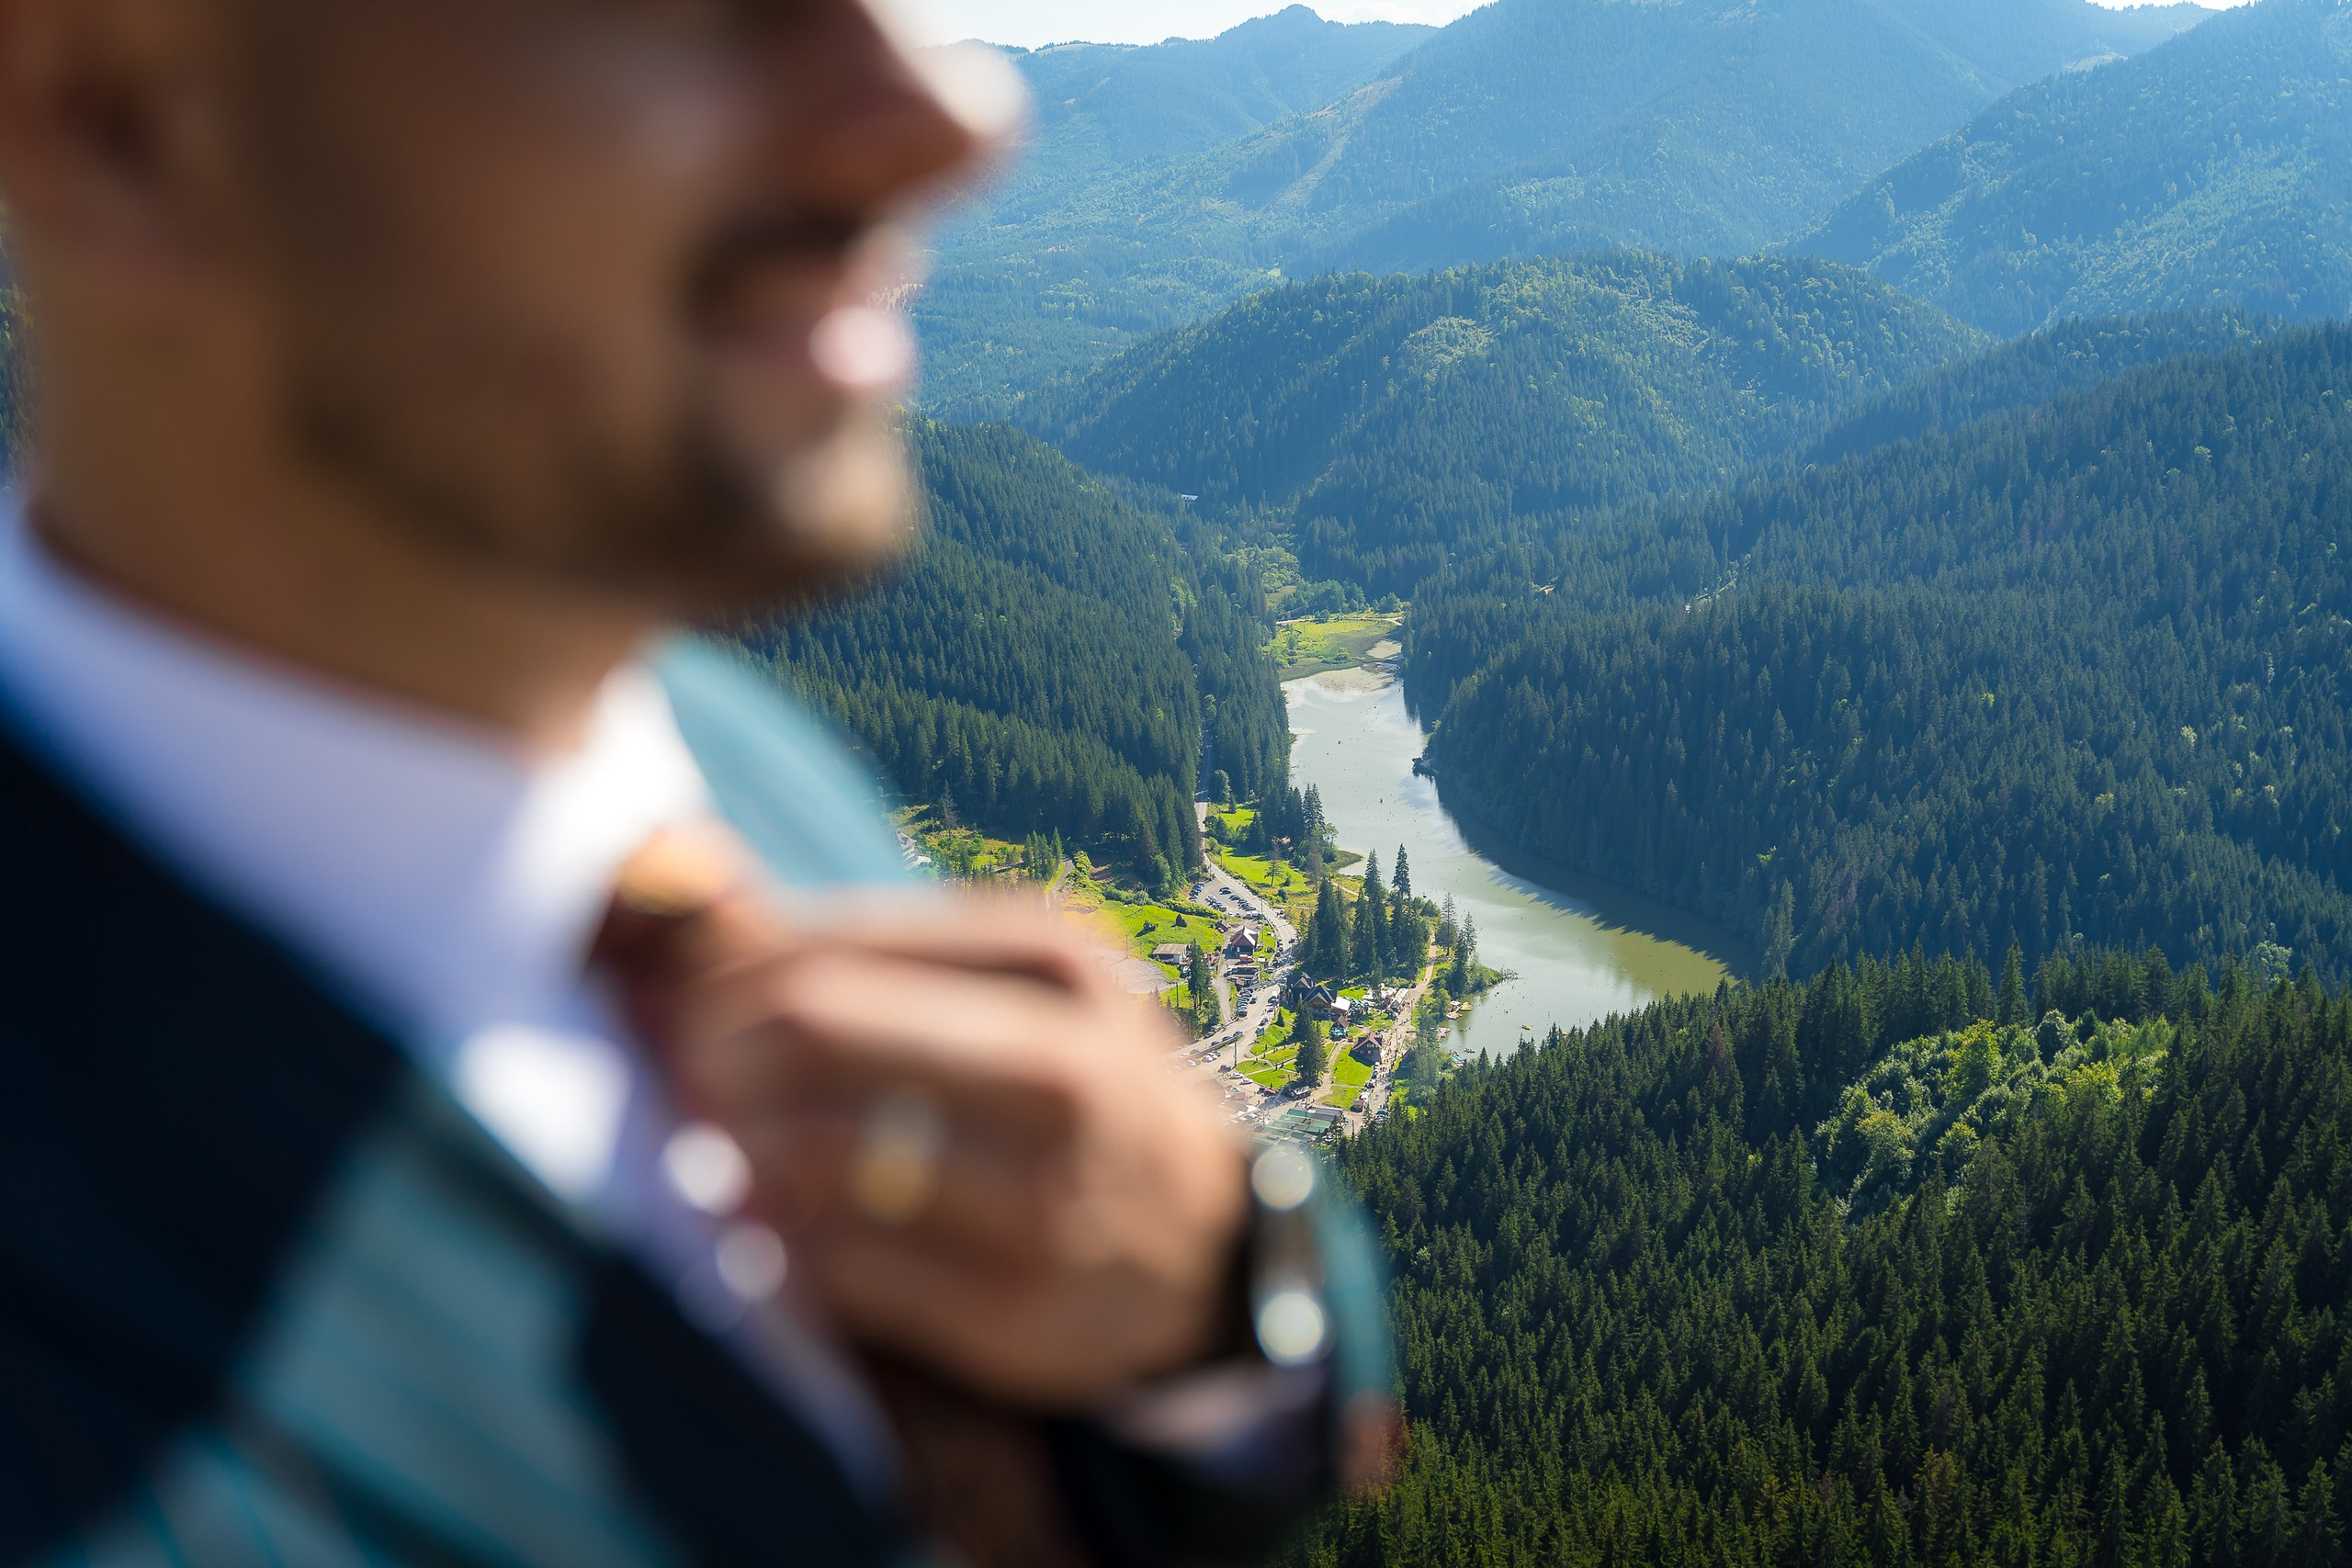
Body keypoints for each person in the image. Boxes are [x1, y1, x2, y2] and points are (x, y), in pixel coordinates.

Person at [0, 1, 1392, 1564]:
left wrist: (1210, 1308)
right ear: (114, 126)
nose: (950, 117)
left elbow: (1217, 1384)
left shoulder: (721, 754)